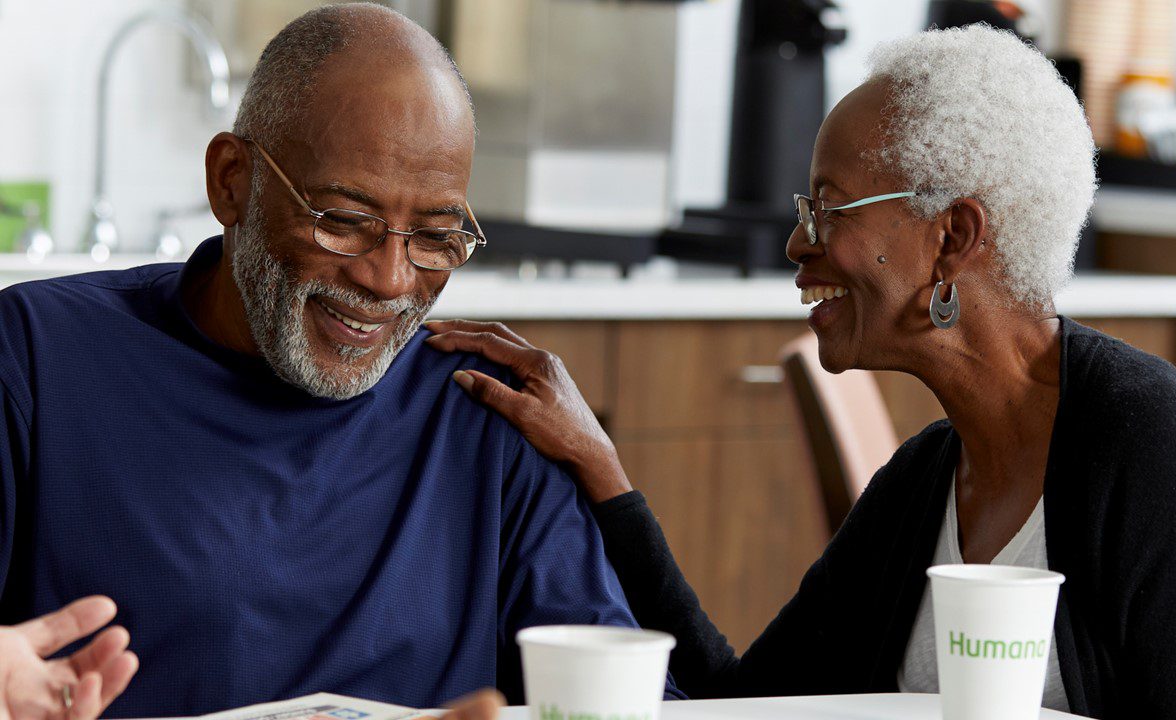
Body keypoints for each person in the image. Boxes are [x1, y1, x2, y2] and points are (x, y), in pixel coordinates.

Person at [426, 25, 1176, 719]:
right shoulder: (924, 486)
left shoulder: (1151, 448)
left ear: (953, 237)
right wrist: (602, 473)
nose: (799, 243)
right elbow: (742, 704)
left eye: (827, 208)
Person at [0, 5, 673, 719]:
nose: (389, 279)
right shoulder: (38, 359)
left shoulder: (485, 414)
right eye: (344, 222)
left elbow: (621, 696)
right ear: (232, 181)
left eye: (437, 236)